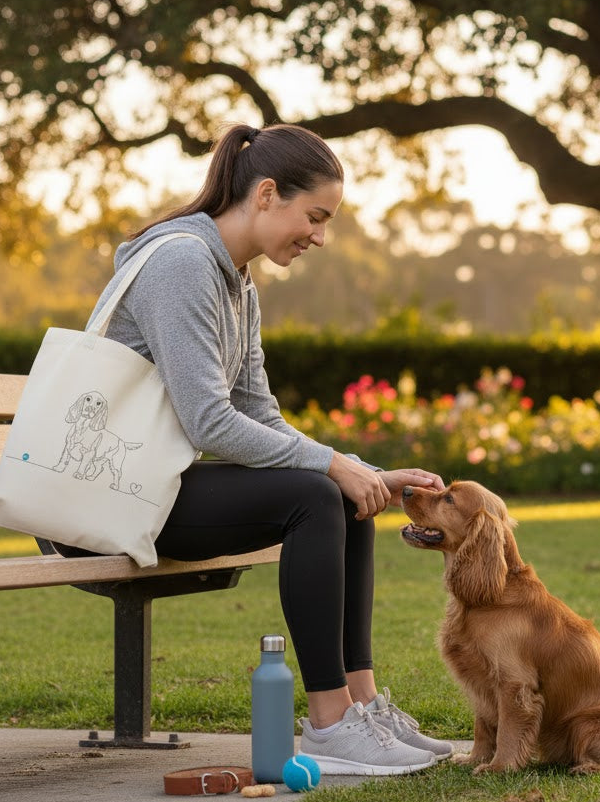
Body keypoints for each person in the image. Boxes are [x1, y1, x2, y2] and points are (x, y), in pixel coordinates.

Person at [86, 122, 453, 775]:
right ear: (264, 195)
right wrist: (333, 465)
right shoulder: (180, 262)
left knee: (340, 491)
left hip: (150, 486)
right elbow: (209, 423)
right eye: (313, 216)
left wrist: (364, 471)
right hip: (100, 499)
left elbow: (260, 416)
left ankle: (359, 706)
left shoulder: (236, 281)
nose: (318, 235)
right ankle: (331, 724)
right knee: (316, 491)